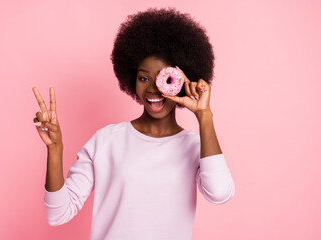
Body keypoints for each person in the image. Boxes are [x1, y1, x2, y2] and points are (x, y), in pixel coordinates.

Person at [32, 7, 235, 240]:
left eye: (165, 78)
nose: (152, 89)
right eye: (143, 77)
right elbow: (57, 214)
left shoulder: (196, 147)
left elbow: (219, 193)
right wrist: (55, 150)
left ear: (181, 80)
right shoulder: (106, 141)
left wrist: (204, 115)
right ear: (131, 79)